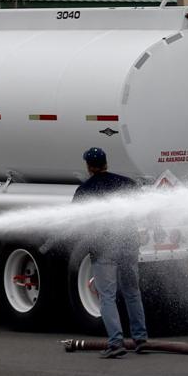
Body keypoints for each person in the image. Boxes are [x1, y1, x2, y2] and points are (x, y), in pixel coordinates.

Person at [72, 147, 149, 358]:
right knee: (133, 292)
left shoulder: (85, 191)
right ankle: (140, 339)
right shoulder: (127, 183)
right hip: (128, 244)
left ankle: (116, 343)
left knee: (107, 296)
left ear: (88, 166)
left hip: (103, 248)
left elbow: (78, 223)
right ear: (106, 162)